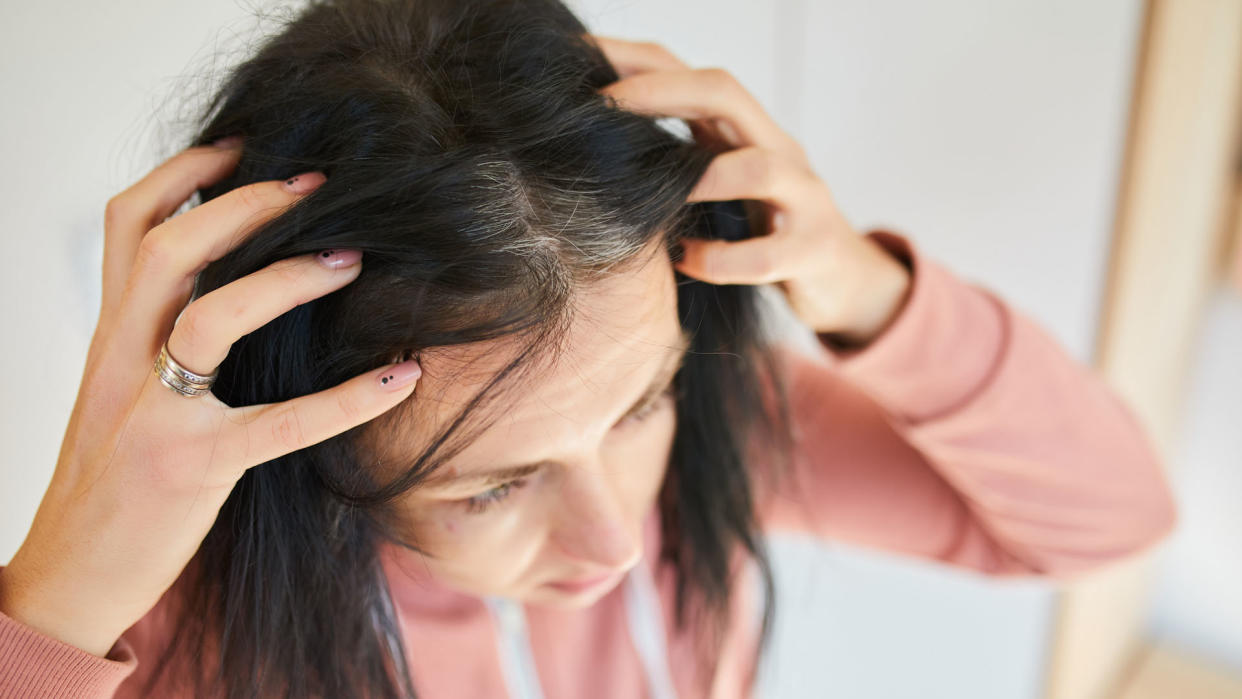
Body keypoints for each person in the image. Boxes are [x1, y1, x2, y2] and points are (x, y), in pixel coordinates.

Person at [0, 0, 1177, 697]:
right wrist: (57, 596)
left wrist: (865, 290)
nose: (615, 539)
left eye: (641, 406)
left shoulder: (735, 419)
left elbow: (1109, 518)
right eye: (492, 485)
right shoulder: (165, 632)